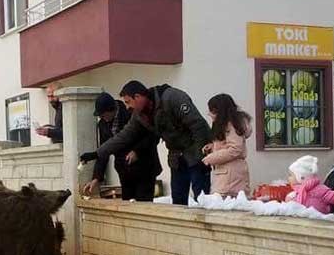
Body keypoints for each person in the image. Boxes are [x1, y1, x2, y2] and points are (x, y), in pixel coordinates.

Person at [80, 80, 212, 206]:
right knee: (178, 201)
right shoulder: (139, 115)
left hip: (195, 151)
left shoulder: (172, 97)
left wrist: (202, 157)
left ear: (137, 97)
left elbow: (198, 125)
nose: (127, 106)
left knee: (201, 200)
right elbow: (123, 136)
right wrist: (97, 154)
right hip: (176, 156)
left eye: (128, 102)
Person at [82, 92, 161, 201]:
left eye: (103, 114)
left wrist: (137, 151)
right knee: (127, 205)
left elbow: (151, 135)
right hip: (124, 171)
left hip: (144, 168)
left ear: (112, 110)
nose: (102, 118)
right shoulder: (103, 125)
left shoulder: (131, 113)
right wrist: (96, 178)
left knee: (143, 205)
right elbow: (104, 151)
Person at [201, 94, 252, 197]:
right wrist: (213, 147)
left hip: (230, 179)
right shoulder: (229, 124)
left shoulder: (231, 125)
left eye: (212, 111)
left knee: (224, 209)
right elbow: (228, 144)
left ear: (219, 111)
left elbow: (235, 149)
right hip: (228, 176)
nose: (209, 114)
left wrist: (211, 158)